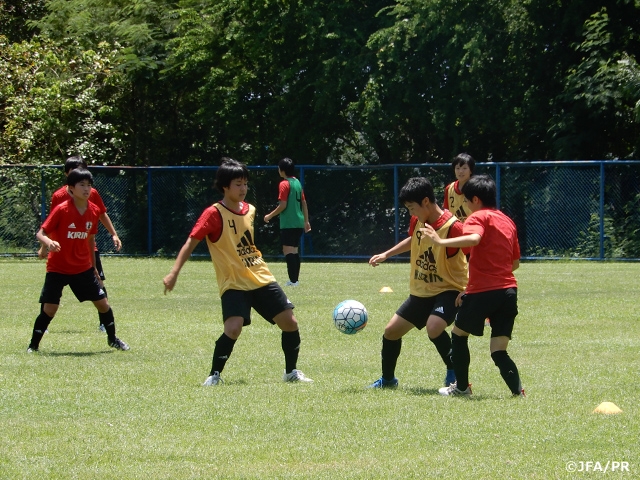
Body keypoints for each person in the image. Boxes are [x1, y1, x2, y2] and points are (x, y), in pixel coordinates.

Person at [164, 158, 313, 386]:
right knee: (232, 330)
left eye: (245, 184)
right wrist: (174, 273)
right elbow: (191, 242)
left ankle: (291, 372)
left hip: (260, 277)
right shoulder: (213, 214)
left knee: (290, 322)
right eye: (238, 184)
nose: (243, 189)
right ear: (225, 186)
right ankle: (214, 375)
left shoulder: (250, 210)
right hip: (233, 282)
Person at [421, 174, 524, 397]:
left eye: (466, 201)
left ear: (475, 199)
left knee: (458, 335)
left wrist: (439, 241)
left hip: (484, 292)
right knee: (499, 351)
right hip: (508, 292)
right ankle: (518, 393)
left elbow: (474, 239)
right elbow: (514, 262)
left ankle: (461, 388)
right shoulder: (507, 221)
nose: (465, 206)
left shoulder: (478, 218)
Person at [367, 177, 468, 389]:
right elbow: (413, 239)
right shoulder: (419, 220)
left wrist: (471, 288)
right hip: (422, 290)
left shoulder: (453, 227)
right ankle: (388, 381)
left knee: (434, 327)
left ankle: (454, 373)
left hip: (450, 289)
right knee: (391, 331)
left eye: (412, 207)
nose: (411, 213)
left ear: (425, 202)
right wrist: (387, 254)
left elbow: (474, 254)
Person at [27, 168, 129, 353]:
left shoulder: (94, 210)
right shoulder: (62, 209)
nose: (86, 189)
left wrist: (93, 267)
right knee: (50, 309)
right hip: (58, 267)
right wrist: (49, 242)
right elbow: (40, 233)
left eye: (89, 185)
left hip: (82, 268)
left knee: (103, 304)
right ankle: (33, 346)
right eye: (81, 185)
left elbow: (90, 240)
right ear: (71, 189)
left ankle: (113, 339)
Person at [263, 157, 311, 286]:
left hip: (289, 222)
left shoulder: (284, 184)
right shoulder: (297, 182)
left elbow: (283, 205)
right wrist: (306, 221)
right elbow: (304, 203)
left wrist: (269, 215)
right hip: (299, 221)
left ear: (282, 170)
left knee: (288, 251)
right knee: (294, 251)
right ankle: (295, 280)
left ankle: (293, 281)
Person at [443, 153, 475, 223]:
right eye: (457, 168)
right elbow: (446, 211)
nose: (460, 171)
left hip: (472, 228)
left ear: (471, 170)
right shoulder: (449, 188)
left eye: (464, 168)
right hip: (454, 229)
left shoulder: (476, 188)